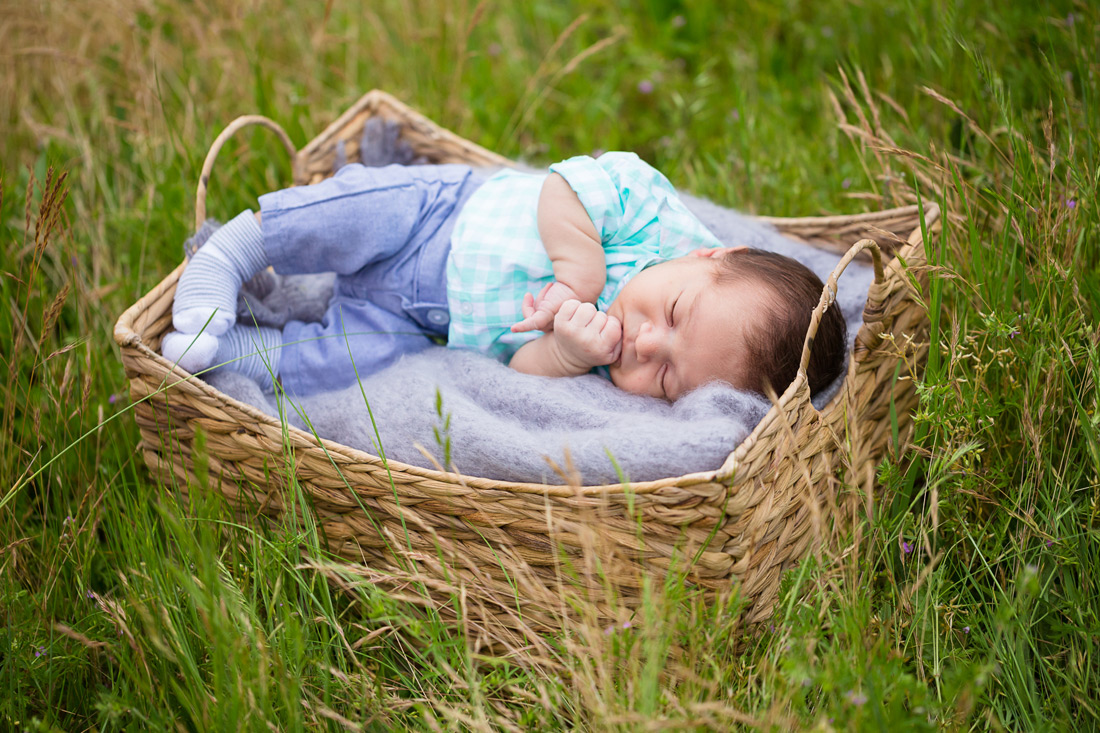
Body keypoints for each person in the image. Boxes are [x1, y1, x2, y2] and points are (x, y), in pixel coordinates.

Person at [163, 152, 846, 400]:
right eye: (673, 315)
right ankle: (234, 253)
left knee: (353, 364)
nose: (646, 345)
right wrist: (580, 271)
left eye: (667, 377)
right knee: (351, 207)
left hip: (424, 325)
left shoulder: (608, 358)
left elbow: (518, 363)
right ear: (710, 257)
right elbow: (571, 182)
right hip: (439, 217)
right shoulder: (652, 217)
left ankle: (233, 357)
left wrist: (567, 353)